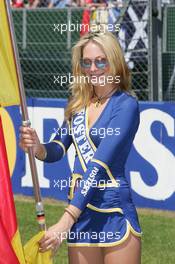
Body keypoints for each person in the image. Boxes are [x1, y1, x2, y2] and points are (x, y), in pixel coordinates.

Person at [19, 31, 142, 264]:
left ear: (114, 61)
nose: (93, 68)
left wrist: (65, 222)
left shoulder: (126, 106)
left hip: (113, 211)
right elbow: (56, 149)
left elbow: (98, 166)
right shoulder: (79, 105)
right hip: (82, 215)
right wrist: (37, 147)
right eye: (87, 62)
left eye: (100, 61)